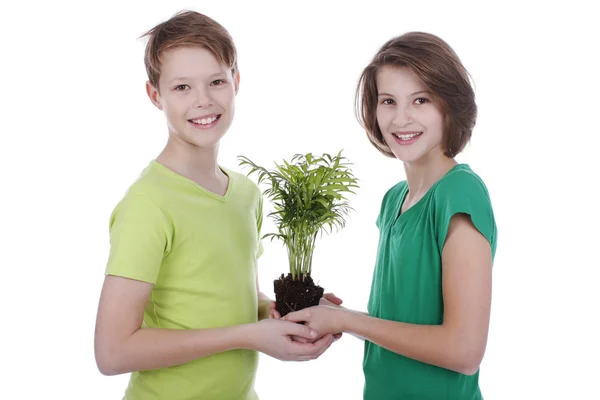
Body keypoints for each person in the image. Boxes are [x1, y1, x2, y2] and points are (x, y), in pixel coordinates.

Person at [94, 10, 335, 400]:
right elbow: (112, 351)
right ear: (155, 95)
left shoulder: (245, 194)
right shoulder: (148, 204)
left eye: (216, 81)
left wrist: (279, 312)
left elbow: (236, 299)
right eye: (182, 87)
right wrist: (249, 336)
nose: (203, 101)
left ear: (236, 82)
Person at [284, 32, 498, 400]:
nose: (401, 119)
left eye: (420, 100)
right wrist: (338, 315)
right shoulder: (394, 200)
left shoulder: (458, 194)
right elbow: (398, 321)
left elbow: (464, 351)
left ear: (449, 104)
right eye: (388, 101)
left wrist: (349, 320)